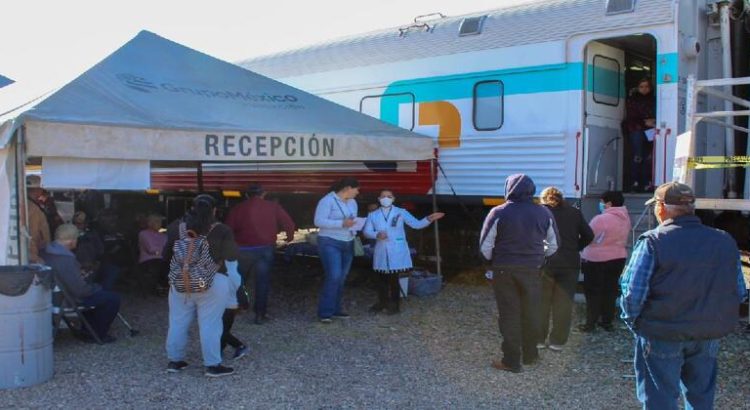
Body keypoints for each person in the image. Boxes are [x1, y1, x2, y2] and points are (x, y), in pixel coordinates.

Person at [621, 182, 749, 409]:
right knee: (701, 397)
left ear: (661, 207)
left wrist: (634, 323)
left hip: (662, 331)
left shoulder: (653, 241)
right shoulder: (724, 240)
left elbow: (633, 294)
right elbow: (739, 291)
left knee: (660, 398)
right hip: (708, 332)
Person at [479, 174, 559, 373]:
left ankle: (511, 361)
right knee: (531, 313)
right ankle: (531, 355)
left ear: (508, 189)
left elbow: (485, 246)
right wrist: (540, 257)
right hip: (532, 270)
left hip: (504, 269)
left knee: (509, 315)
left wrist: (492, 261)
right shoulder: (544, 212)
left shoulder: (498, 212)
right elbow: (554, 244)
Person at [163, 194, 240, 377]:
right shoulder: (222, 230)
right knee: (210, 324)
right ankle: (212, 365)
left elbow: (166, 255)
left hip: (181, 281)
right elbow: (231, 256)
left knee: (177, 322)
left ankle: (175, 361)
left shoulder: (177, 228)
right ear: (214, 210)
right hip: (213, 281)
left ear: (192, 207)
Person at [363, 189, 444, 315]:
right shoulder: (373, 215)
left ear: (393, 199)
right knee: (381, 278)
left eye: (389, 196)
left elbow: (416, 224)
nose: (386, 198)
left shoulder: (400, 212)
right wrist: (376, 234)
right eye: (383, 196)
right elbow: (367, 231)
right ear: (379, 199)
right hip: (381, 249)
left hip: (396, 249)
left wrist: (429, 218)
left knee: (393, 278)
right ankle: (382, 302)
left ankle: (395, 304)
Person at [226, 183, 295, 324]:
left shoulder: (238, 208)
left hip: (243, 250)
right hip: (265, 249)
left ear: (246, 195)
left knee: (239, 281)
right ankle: (260, 314)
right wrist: (289, 237)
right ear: (264, 194)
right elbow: (289, 223)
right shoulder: (273, 206)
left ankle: (239, 306)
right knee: (262, 282)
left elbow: (228, 229)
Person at [42, 224, 121, 343]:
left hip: (54, 295)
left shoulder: (45, 252)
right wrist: (97, 287)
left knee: (102, 290)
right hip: (68, 298)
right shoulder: (66, 259)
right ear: (72, 241)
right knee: (112, 298)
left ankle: (88, 329)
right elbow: (80, 291)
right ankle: (97, 333)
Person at [537, 187, 593, 351]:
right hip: (569, 263)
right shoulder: (574, 213)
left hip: (545, 262)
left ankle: (538, 340)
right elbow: (589, 235)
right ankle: (557, 342)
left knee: (541, 303)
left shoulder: (540, 212)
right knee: (563, 303)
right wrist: (576, 247)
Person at [579, 191, 631, 333]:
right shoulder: (625, 218)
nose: (600, 204)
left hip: (596, 259)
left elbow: (589, 236)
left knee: (593, 292)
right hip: (619, 257)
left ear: (608, 203)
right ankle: (607, 321)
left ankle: (590, 323)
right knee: (610, 290)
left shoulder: (601, 219)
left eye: (602, 201)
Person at [314, 177, 360, 324]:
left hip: (348, 241)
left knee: (341, 277)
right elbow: (318, 221)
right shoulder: (327, 201)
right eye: (356, 189)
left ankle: (336, 308)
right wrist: (341, 223)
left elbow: (352, 219)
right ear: (347, 188)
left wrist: (355, 226)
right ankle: (325, 312)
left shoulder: (352, 202)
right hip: (329, 241)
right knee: (334, 276)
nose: (358, 192)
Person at [625, 78, 656, 192]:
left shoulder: (654, 100)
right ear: (638, 88)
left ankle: (647, 182)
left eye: (646, 86)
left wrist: (654, 121)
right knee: (637, 156)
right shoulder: (632, 100)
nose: (644, 89)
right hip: (636, 130)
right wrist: (644, 122)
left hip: (651, 130)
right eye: (641, 86)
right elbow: (630, 117)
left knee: (649, 157)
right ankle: (635, 182)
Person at [137, 214, 168, 296]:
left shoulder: (163, 235)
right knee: (161, 264)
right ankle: (159, 288)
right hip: (148, 259)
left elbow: (167, 247)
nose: (159, 224)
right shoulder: (143, 234)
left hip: (162, 257)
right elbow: (151, 250)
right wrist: (163, 252)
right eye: (156, 221)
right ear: (150, 223)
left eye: (160, 222)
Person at [26, 175, 51, 263]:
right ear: (38, 190)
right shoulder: (33, 209)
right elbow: (33, 234)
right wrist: (34, 257)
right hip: (33, 254)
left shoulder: (26, 205)